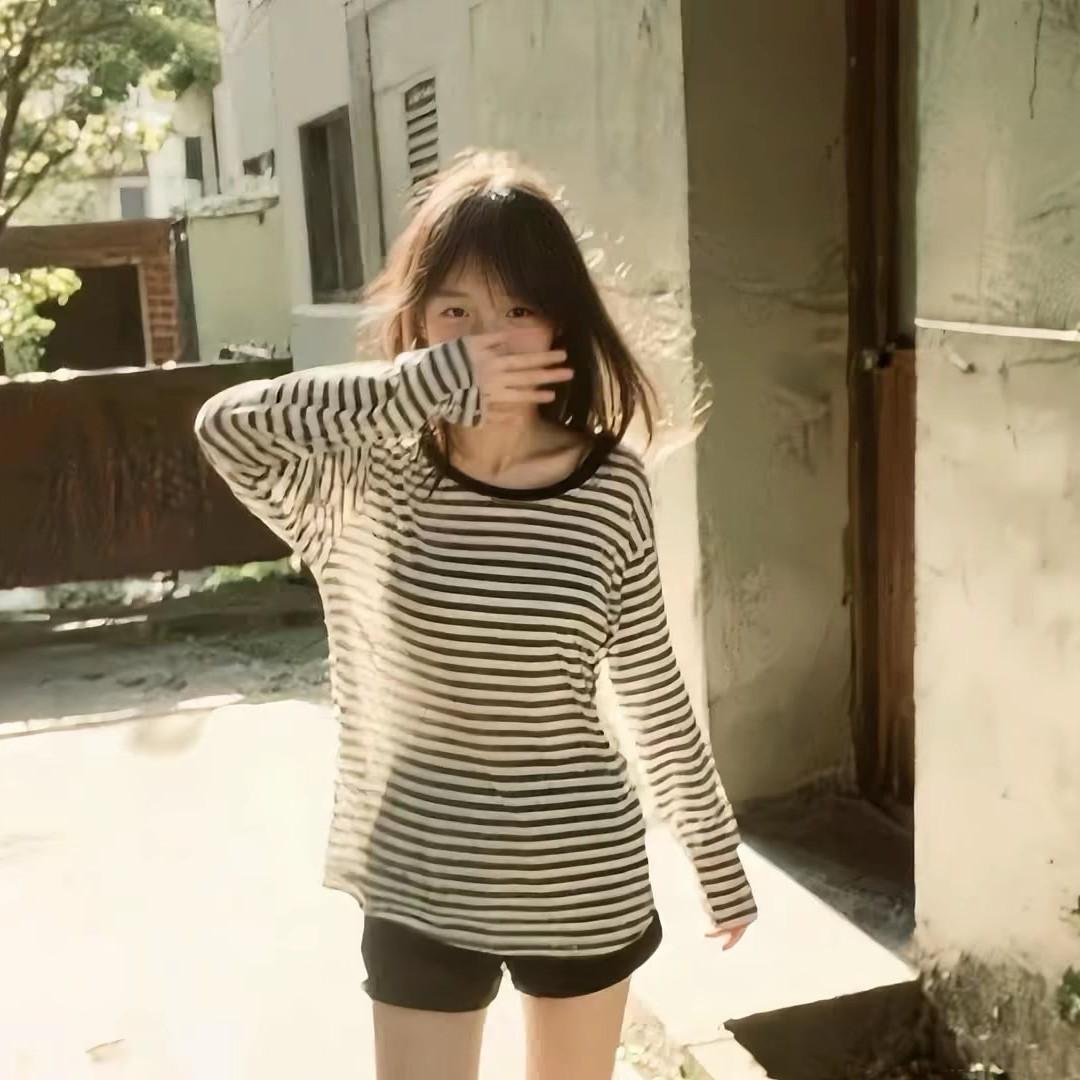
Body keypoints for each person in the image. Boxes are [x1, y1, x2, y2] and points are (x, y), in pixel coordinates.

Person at [194, 152, 756, 1080]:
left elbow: (651, 688)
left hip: (579, 868)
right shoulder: (364, 476)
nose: (487, 341)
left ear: (560, 321)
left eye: (518, 310)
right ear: (418, 324)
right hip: (417, 867)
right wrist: (416, 387)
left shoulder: (609, 486)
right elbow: (226, 427)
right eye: (456, 312)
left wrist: (714, 854)